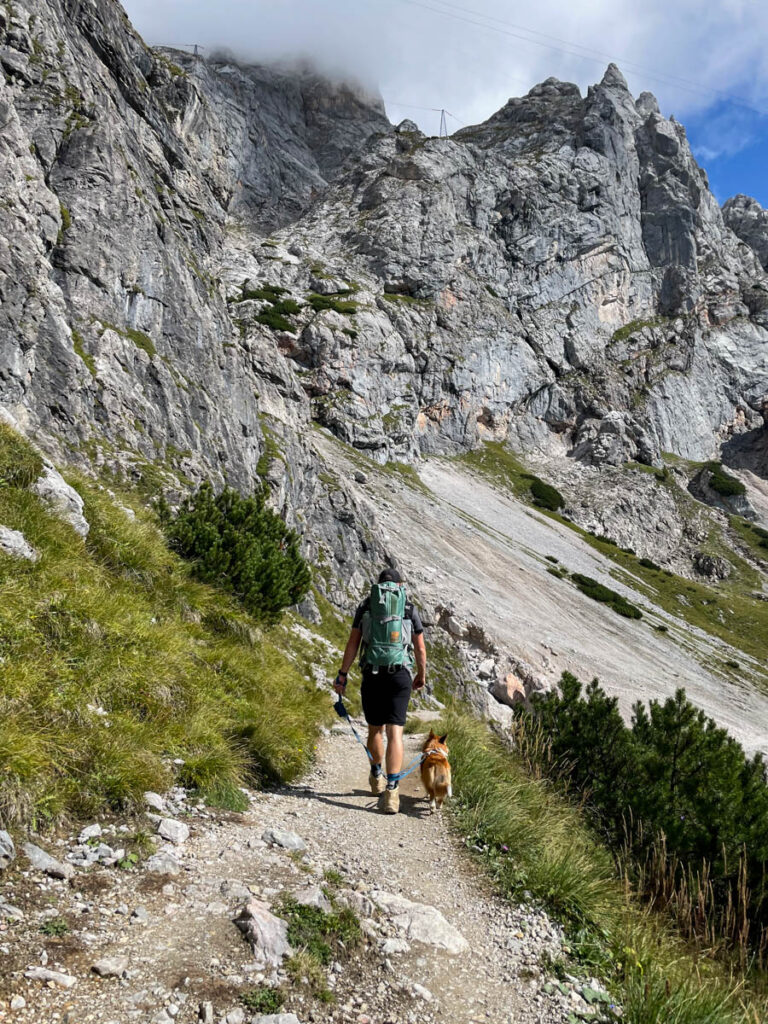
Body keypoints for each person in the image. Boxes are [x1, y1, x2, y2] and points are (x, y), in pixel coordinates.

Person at [333, 567, 427, 814]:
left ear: (378, 585)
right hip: (400, 674)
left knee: (375, 729)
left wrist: (342, 674)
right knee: (395, 732)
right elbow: (420, 647)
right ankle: (392, 792)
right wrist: (421, 675)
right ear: (399, 585)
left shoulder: (366, 606)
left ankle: (376, 775)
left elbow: (353, 643)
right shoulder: (408, 607)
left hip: (372, 673)